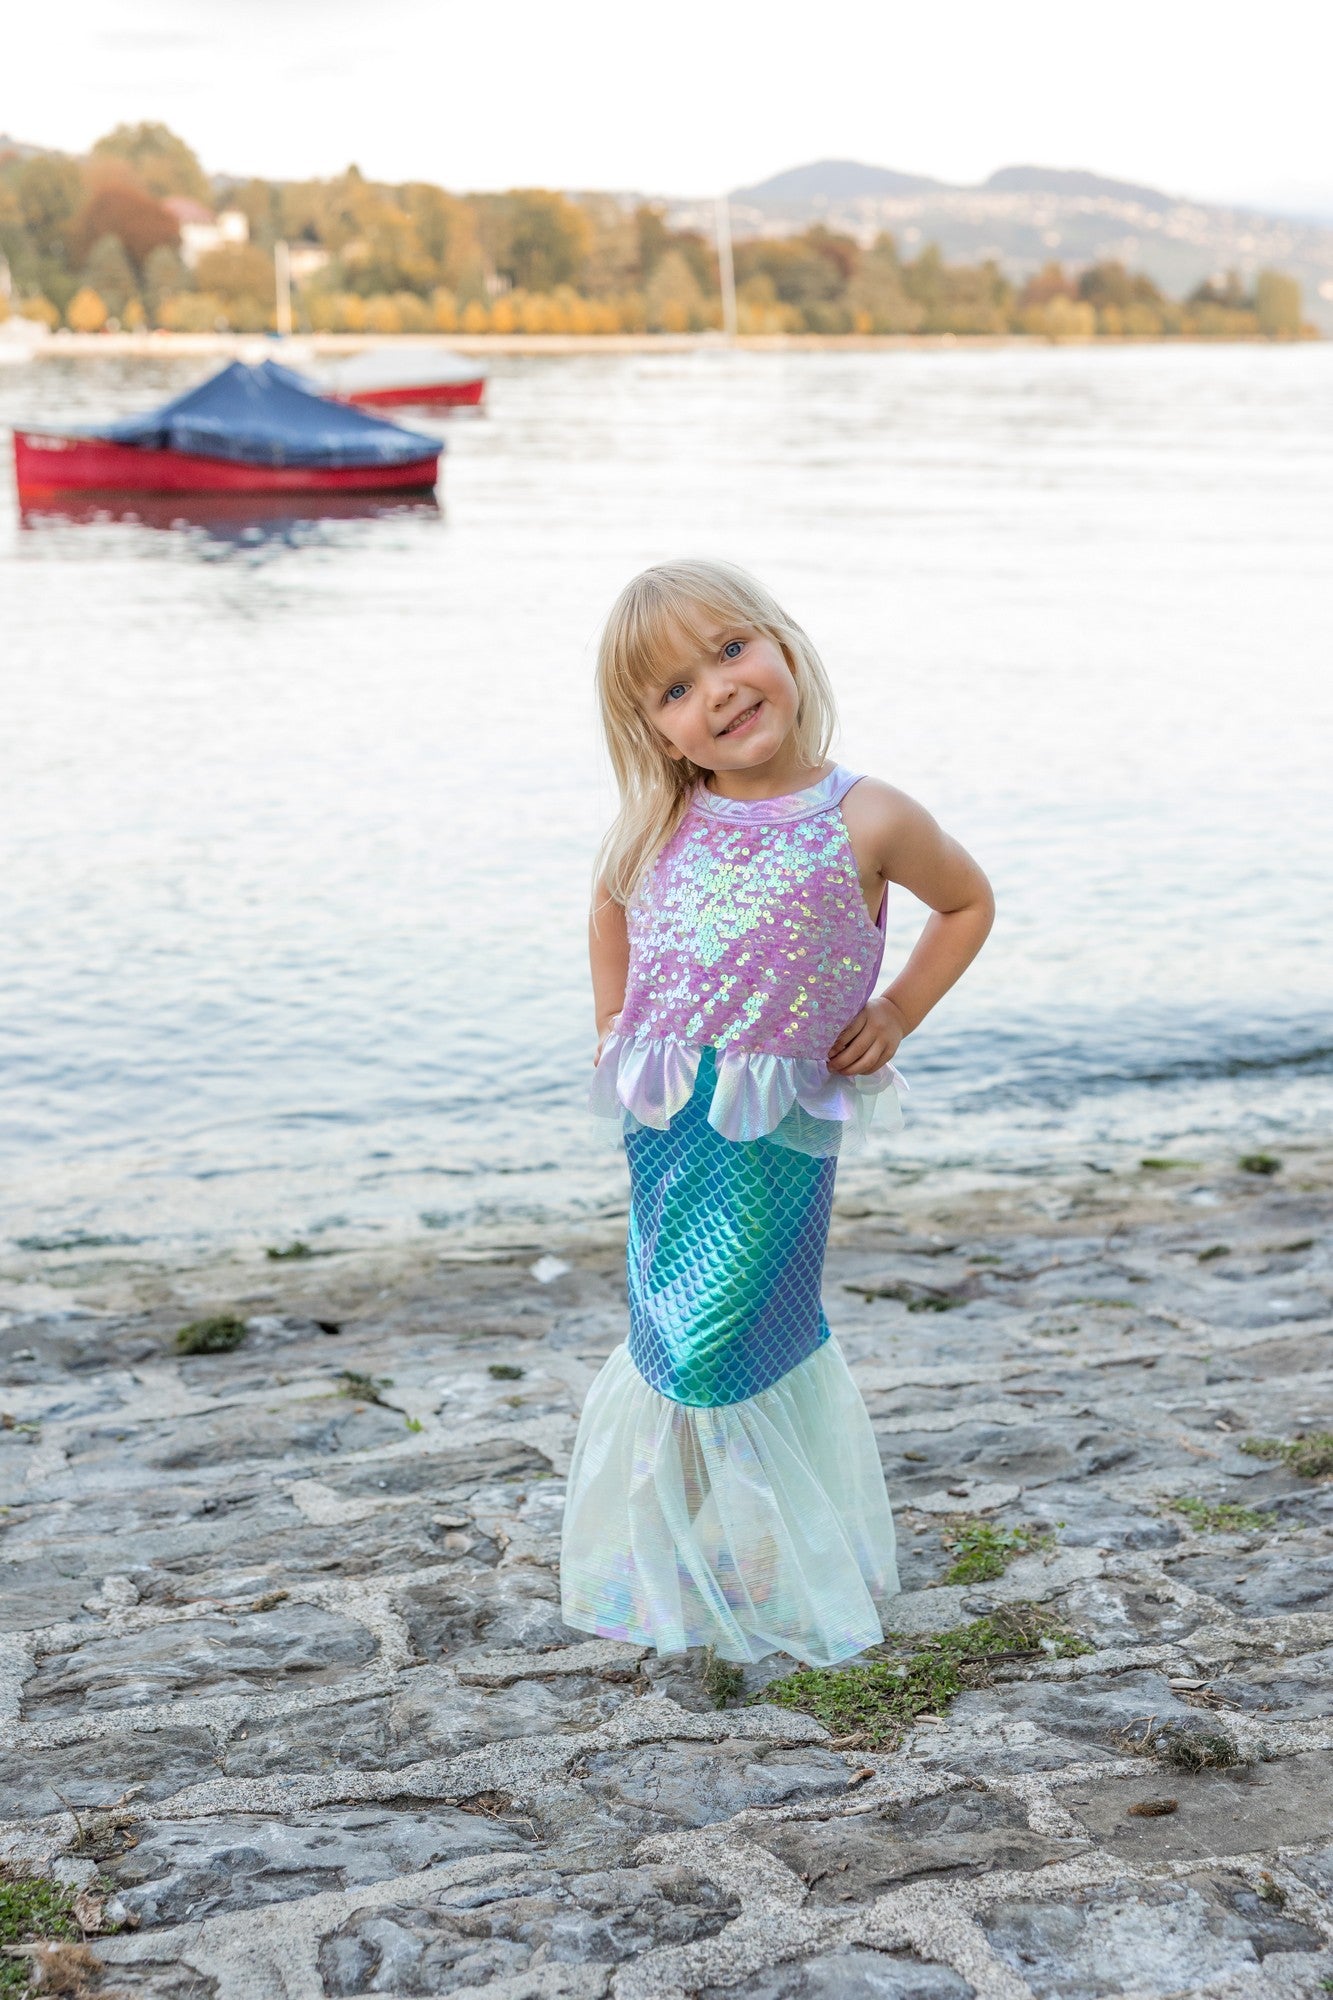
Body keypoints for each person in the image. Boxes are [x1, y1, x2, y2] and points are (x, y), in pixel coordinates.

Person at [559, 558, 994, 1669]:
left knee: (723, 1335)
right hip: (668, 1119)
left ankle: (730, 1547)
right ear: (657, 733)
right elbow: (607, 904)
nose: (715, 690)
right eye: (674, 690)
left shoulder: (868, 815)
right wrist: (612, 1022)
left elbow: (965, 902)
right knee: (668, 1326)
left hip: (775, 1130)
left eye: (728, 650)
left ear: (782, 645)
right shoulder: (663, 818)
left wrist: (895, 1010)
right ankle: (676, 1543)